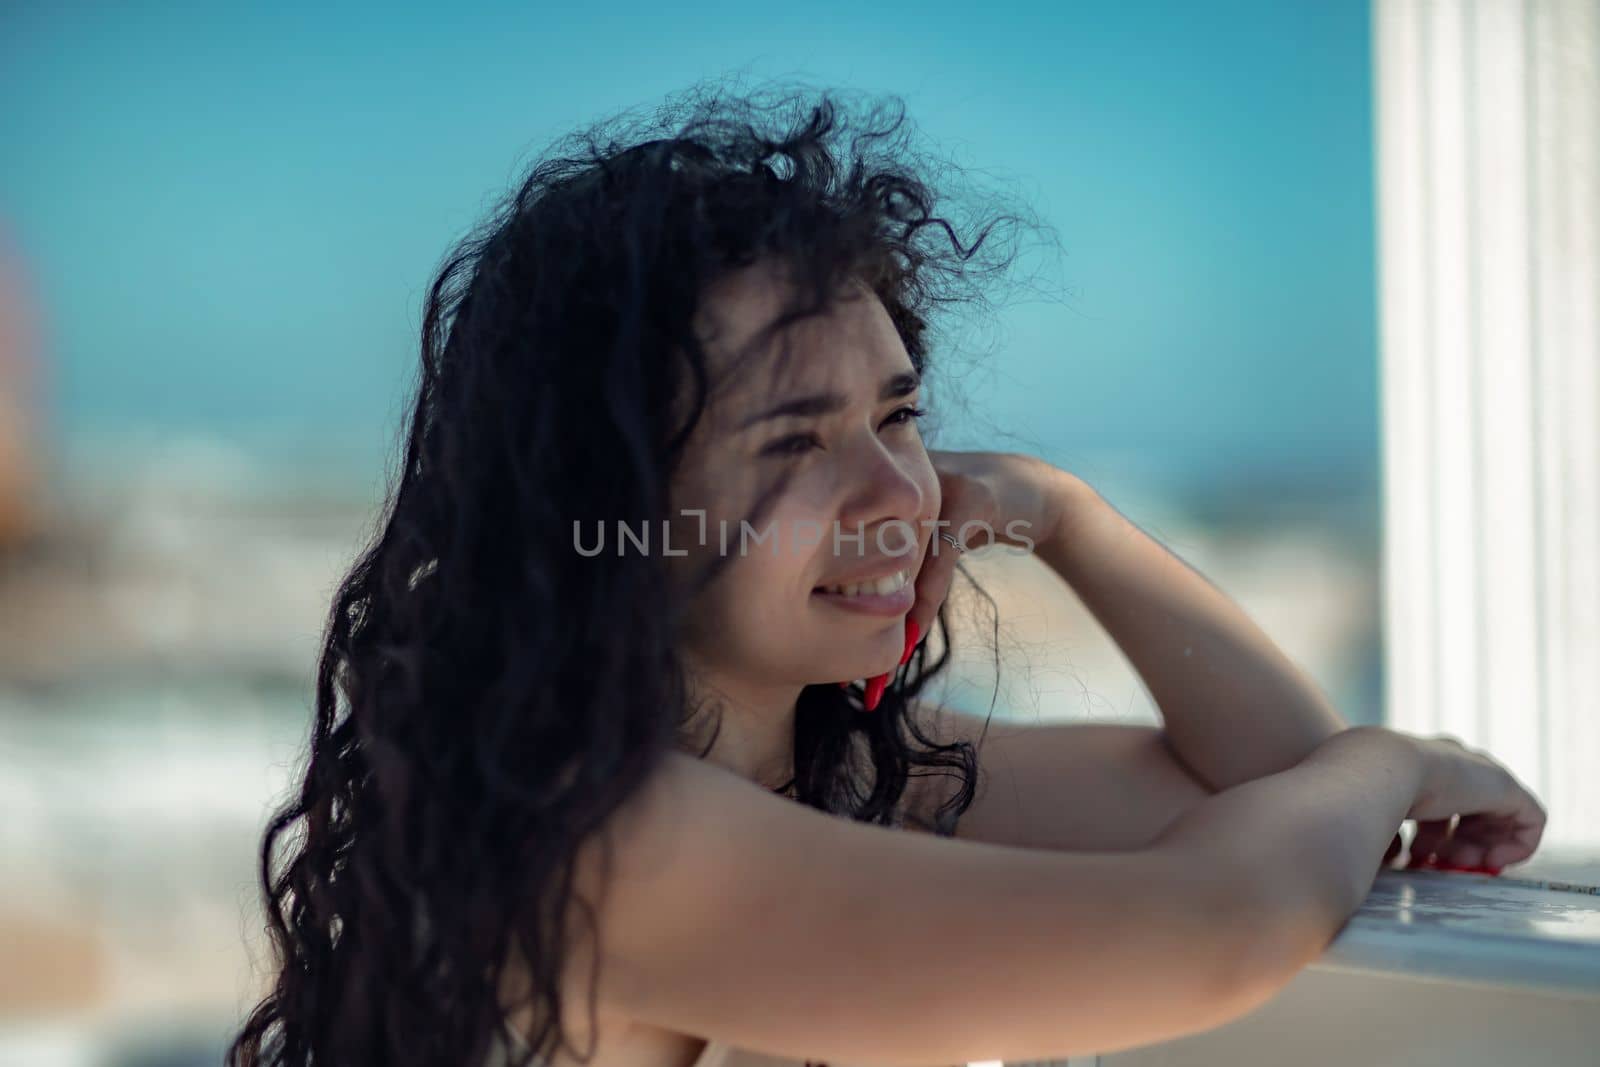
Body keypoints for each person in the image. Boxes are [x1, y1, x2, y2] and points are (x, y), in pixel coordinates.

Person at [227, 82, 1547, 1067]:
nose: (898, 494)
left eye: (900, 417)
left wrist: (1065, 517)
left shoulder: (827, 782)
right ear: (613, 496)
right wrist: (1401, 758)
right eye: (795, 439)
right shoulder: (618, 842)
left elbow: (1271, 789)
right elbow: (1216, 925)